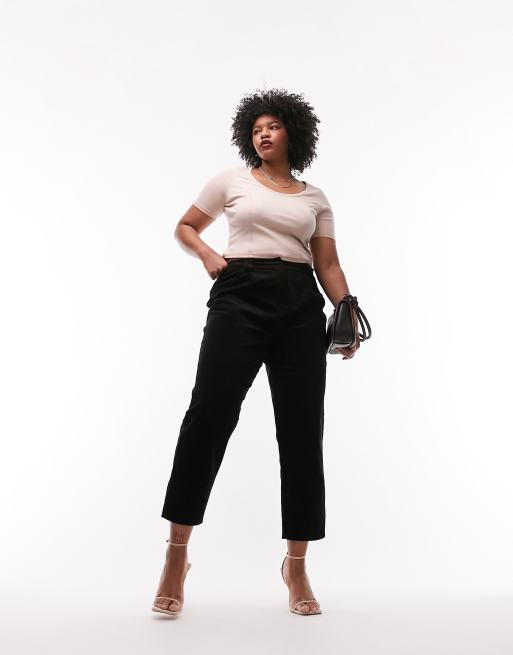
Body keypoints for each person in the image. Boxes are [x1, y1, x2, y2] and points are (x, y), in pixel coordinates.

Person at [152, 88, 359, 618]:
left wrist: (346, 311)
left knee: (301, 430)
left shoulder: (315, 198)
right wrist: (207, 255)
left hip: (299, 305)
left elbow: (327, 265)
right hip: (238, 295)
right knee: (208, 416)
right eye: (256, 129)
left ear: (294, 132)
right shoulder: (231, 181)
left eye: (273, 126)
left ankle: (297, 565)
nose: (263, 134)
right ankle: (176, 555)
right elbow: (185, 226)